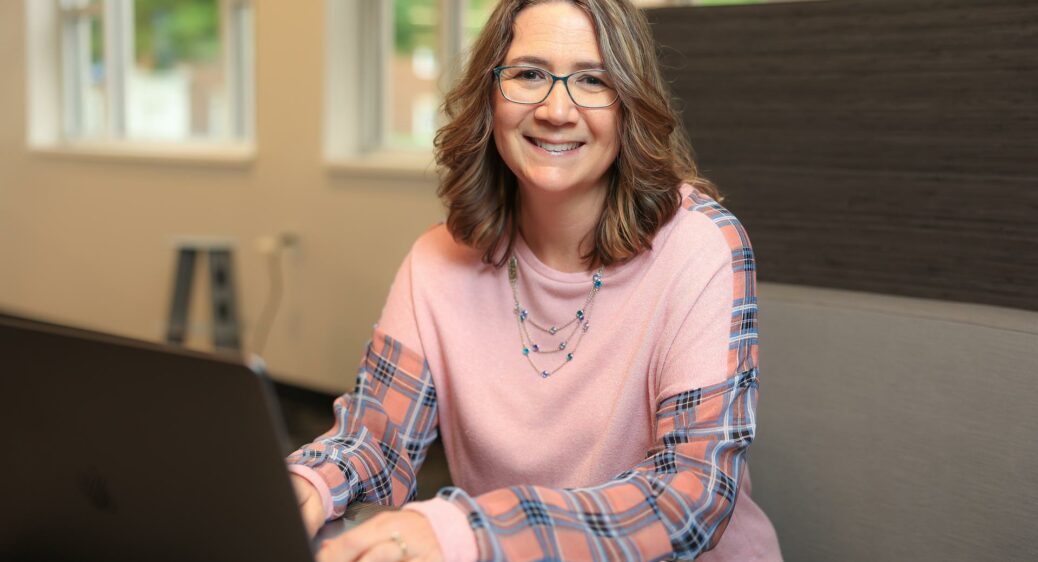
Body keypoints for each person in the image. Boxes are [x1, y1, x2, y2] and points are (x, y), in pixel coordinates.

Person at [287, 0, 781, 560]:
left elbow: (689, 497)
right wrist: (309, 482)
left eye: (592, 80)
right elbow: (376, 437)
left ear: (629, 106)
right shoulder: (436, 259)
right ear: (490, 97)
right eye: (528, 74)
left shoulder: (703, 245)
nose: (555, 109)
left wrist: (469, 530)